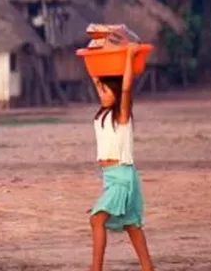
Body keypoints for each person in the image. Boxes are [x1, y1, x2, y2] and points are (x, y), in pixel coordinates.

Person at [89, 43, 155, 271]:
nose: (101, 94)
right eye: (100, 91)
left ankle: (95, 269)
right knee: (132, 226)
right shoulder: (103, 113)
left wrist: (128, 55)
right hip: (110, 177)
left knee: (97, 219)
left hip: (122, 176)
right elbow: (95, 76)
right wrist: (98, 48)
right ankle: (148, 267)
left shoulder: (122, 115)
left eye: (106, 91)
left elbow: (126, 88)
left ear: (116, 94)